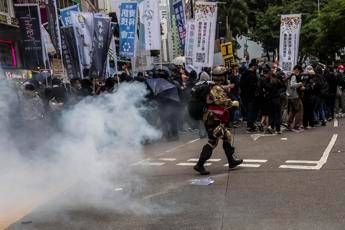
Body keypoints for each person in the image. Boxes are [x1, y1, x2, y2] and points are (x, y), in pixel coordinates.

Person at [194, 66, 243, 175]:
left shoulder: (213, 86)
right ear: (221, 77)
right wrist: (233, 103)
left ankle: (231, 161)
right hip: (213, 119)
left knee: (226, 136)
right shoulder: (216, 88)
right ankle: (200, 164)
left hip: (214, 117)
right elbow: (221, 102)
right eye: (225, 75)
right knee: (213, 142)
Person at [240, 59, 259, 132]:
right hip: (251, 95)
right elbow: (254, 85)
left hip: (245, 94)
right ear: (253, 66)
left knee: (249, 110)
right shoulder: (252, 75)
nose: (256, 68)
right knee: (251, 110)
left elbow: (241, 84)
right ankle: (250, 126)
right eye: (256, 66)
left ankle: (250, 125)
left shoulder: (244, 74)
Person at [286, 65, 304, 131]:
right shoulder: (293, 76)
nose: (299, 72)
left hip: (290, 96)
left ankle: (289, 124)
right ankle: (296, 125)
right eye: (299, 70)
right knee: (299, 110)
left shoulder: (290, 75)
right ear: (296, 69)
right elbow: (292, 85)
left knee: (293, 110)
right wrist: (300, 84)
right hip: (294, 96)